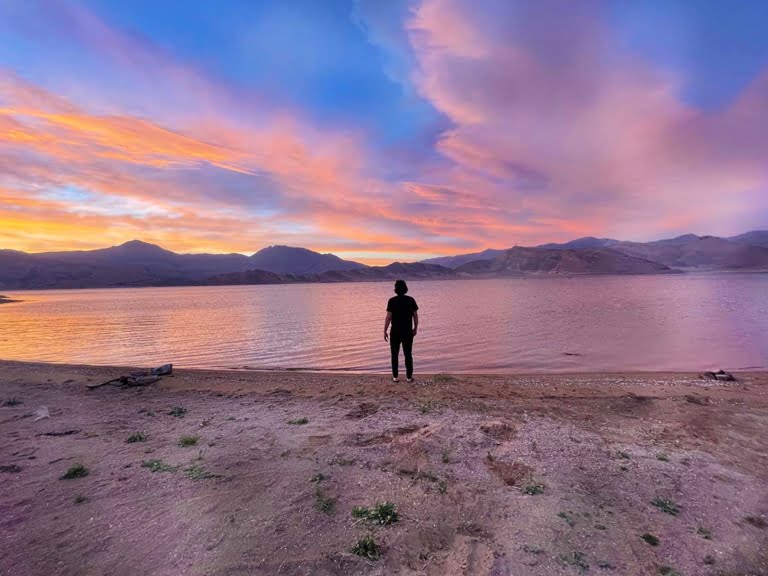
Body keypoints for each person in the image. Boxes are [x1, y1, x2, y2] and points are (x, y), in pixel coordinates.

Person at [384, 279, 419, 382]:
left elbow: (388, 317)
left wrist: (385, 330)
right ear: (405, 289)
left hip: (395, 332)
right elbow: (415, 317)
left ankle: (395, 377)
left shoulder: (392, 301)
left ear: (395, 289)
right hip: (407, 332)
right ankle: (409, 378)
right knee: (408, 354)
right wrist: (415, 328)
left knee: (394, 354)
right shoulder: (411, 300)